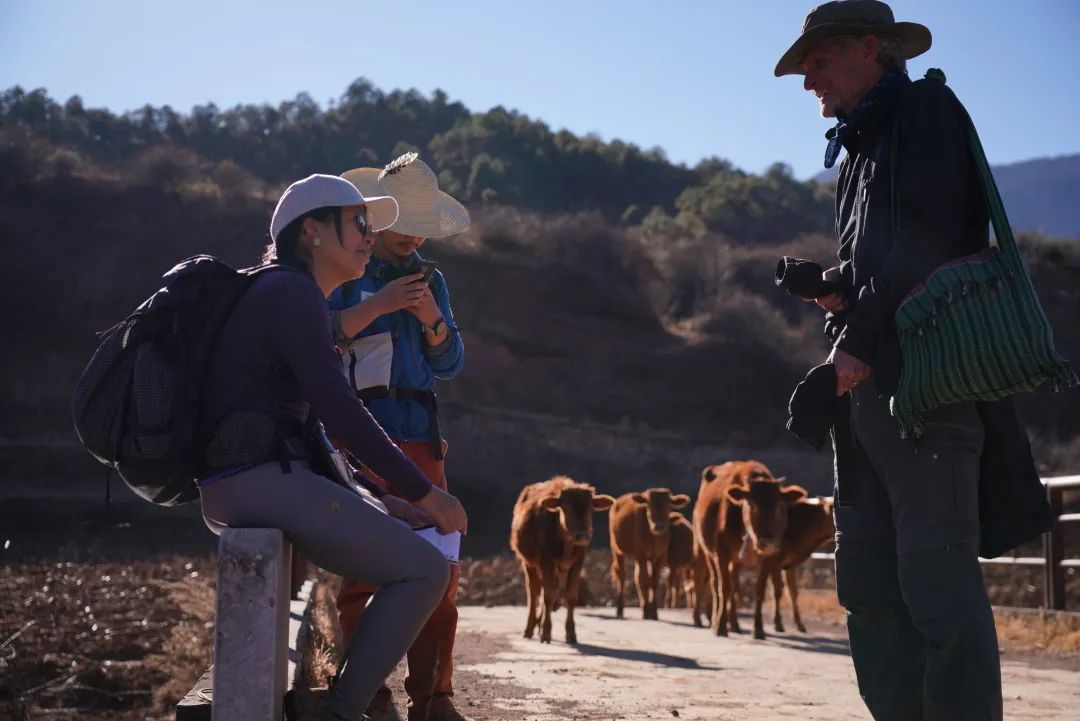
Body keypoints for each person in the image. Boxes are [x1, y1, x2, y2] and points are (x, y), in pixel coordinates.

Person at [775, 2, 1012, 719]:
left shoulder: (926, 113)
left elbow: (926, 243)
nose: (808, 79)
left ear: (869, 48)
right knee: (870, 590)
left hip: (926, 396)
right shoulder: (857, 149)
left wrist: (854, 345)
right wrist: (833, 286)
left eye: (818, 60)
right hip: (870, 401)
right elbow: (882, 261)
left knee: (937, 588)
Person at [196, 173, 468, 721]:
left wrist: (376, 494)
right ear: (314, 232)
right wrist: (425, 494)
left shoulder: (291, 292)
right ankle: (345, 710)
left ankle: (380, 699)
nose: (371, 235)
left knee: (415, 560)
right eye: (359, 224)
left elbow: (315, 420)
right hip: (258, 476)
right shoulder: (293, 293)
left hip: (261, 473)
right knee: (424, 570)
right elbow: (341, 409)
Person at [328, 152, 470, 721]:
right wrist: (382, 305)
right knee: (362, 570)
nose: (412, 233)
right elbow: (325, 339)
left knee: (443, 570)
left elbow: (452, 363)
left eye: (422, 223)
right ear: (378, 216)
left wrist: (433, 317)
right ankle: (370, 695)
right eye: (402, 220)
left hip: (422, 436)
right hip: (362, 437)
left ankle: (434, 698)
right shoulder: (347, 271)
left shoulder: (433, 278)